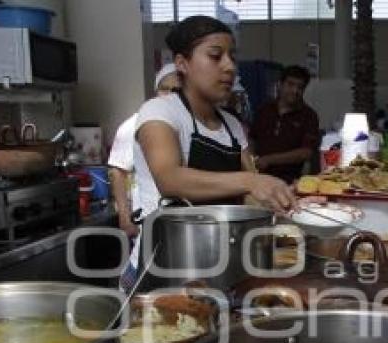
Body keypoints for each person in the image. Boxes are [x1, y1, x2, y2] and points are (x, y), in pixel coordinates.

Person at [125, 16, 295, 290]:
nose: (229, 67)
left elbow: (252, 195)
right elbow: (169, 179)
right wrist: (250, 180)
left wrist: (283, 198)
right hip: (166, 267)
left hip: (224, 266)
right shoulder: (160, 112)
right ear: (182, 64)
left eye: (232, 57)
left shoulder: (231, 125)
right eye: (216, 56)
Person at [107, 64, 180, 238]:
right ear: (156, 91)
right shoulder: (134, 124)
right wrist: (125, 219)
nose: (170, 94)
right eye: (165, 89)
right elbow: (117, 171)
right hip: (146, 219)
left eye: (176, 90)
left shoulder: (187, 124)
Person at [250, 65, 320, 183]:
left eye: (300, 87)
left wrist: (269, 160)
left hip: (289, 180)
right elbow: (251, 139)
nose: (295, 91)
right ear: (280, 85)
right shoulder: (264, 110)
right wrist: (251, 162)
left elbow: (306, 152)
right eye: (290, 84)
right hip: (258, 177)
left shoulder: (309, 116)